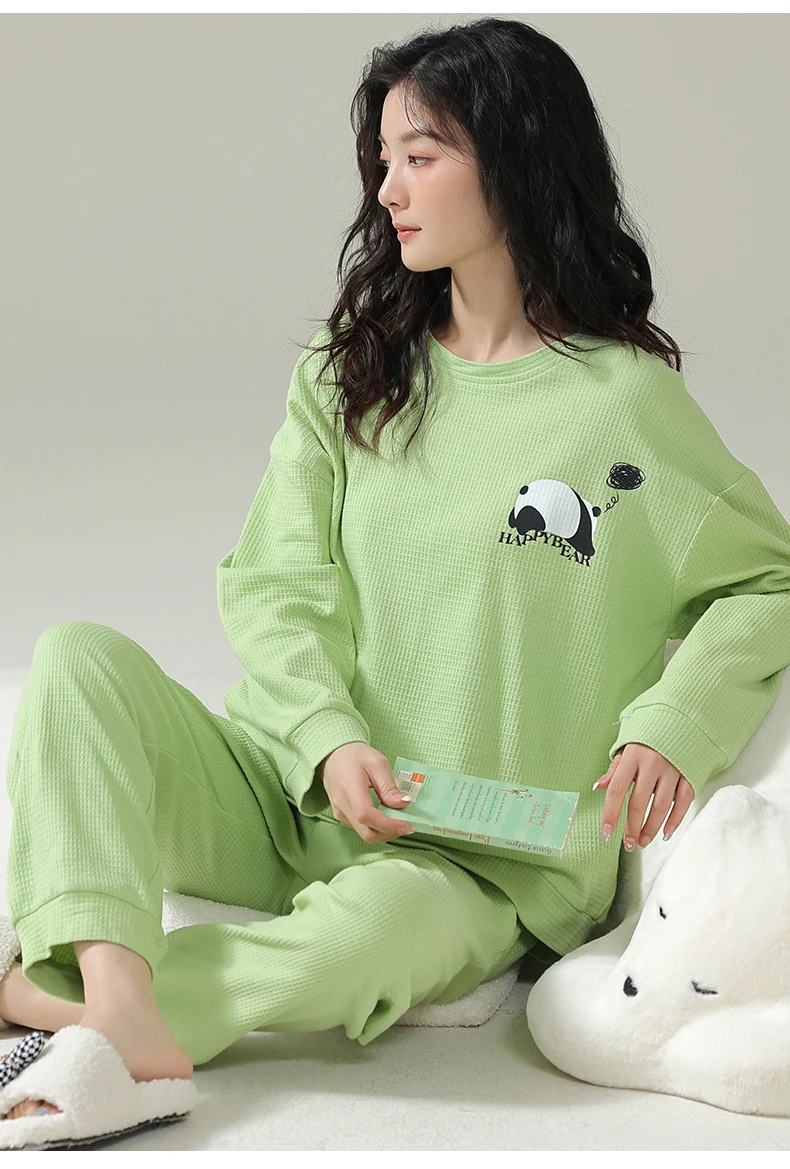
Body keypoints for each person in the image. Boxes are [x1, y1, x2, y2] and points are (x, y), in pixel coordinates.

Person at [4, 16, 790, 1126]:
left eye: (420, 156)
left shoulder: (623, 407)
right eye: (382, 160)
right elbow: (274, 583)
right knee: (76, 659)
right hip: (293, 787)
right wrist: (328, 740)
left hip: (481, 862)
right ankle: (122, 1004)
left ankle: (51, 993)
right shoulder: (354, 375)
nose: (388, 190)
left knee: (365, 939)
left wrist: (675, 720)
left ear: (513, 162)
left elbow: (768, 580)